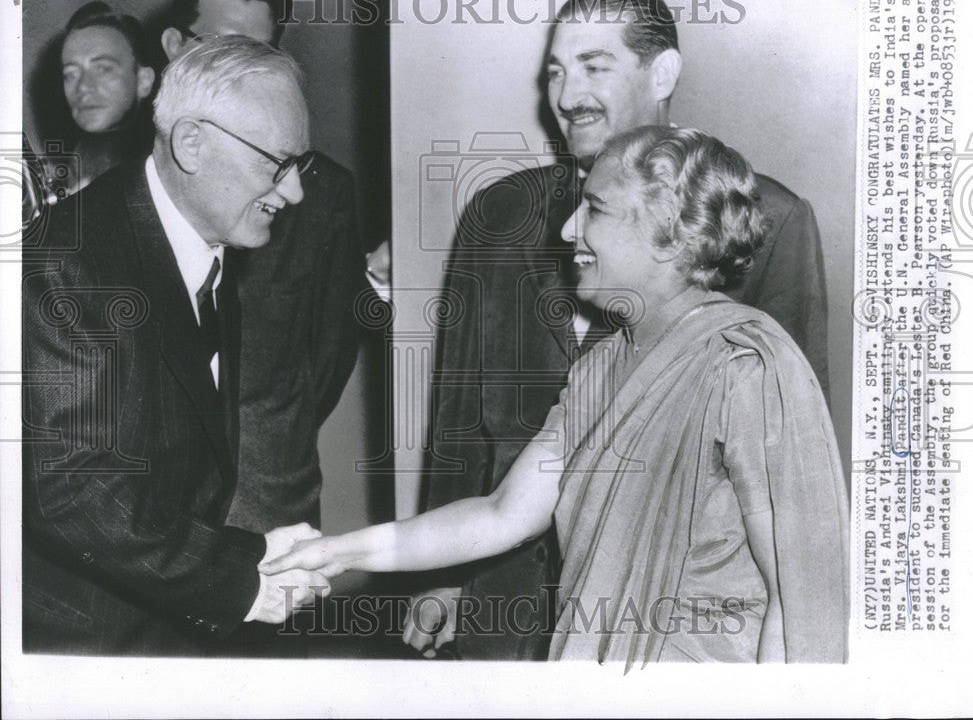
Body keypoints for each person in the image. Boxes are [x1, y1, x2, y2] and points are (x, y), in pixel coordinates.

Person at [261, 126, 849, 667]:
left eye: (594, 208)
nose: (568, 228)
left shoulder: (747, 365)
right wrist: (338, 553)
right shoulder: (600, 368)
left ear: (669, 234)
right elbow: (500, 515)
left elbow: (802, 602)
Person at [414, 0, 831, 660]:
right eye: (555, 71)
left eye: (593, 67)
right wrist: (442, 580)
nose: (567, 94)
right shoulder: (498, 214)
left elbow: (789, 479)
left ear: (661, 73)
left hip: (665, 628)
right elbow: (457, 414)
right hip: (501, 604)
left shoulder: (771, 222)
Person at [22, 37, 329, 655]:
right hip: (85, 646)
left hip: (161, 624)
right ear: (191, 143)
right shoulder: (69, 265)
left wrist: (255, 553)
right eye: (278, 164)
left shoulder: (210, 241)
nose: (293, 192)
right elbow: (71, 489)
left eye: (302, 165)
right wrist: (235, 578)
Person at [161, 0, 367, 534]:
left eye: (259, 50)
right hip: (144, 512)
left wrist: (271, 439)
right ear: (174, 46)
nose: (241, 71)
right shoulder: (124, 181)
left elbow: (327, 354)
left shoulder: (318, 193)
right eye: (222, 48)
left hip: (265, 505)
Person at [56, 1, 156, 198]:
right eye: (71, 74)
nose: (83, 86)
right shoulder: (86, 152)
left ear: (143, 80)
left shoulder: (161, 158)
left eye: (103, 69)